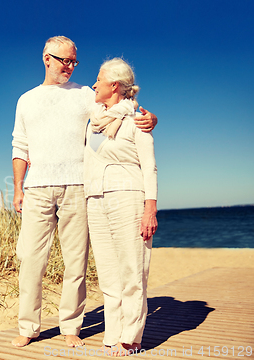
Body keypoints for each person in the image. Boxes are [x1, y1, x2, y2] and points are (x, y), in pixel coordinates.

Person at [11, 36, 157, 348]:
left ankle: (70, 327)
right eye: (65, 60)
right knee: (32, 261)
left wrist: (149, 117)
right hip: (36, 187)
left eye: (74, 61)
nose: (70, 66)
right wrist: (17, 188)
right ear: (46, 58)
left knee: (76, 263)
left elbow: (119, 107)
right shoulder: (26, 99)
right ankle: (28, 327)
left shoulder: (84, 96)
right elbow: (19, 146)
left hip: (79, 185)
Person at [83, 58, 158, 356]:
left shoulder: (136, 120)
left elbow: (150, 166)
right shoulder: (93, 120)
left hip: (128, 197)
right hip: (95, 199)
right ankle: (112, 332)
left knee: (132, 270)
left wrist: (149, 209)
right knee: (108, 273)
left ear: (114, 85)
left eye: (98, 79)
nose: (94, 84)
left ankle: (131, 336)